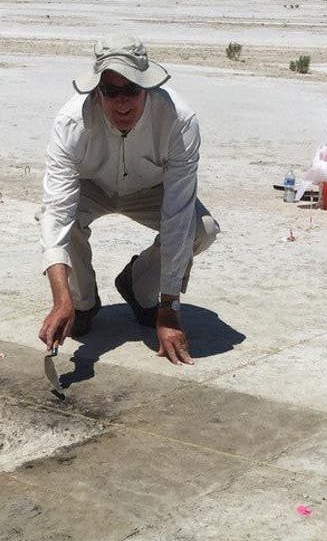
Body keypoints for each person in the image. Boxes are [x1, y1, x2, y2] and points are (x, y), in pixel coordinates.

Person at [36, 35, 219, 365]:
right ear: (97, 91)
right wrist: (60, 299)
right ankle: (82, 303)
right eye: (111, 91)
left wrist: (169, 307)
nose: (123, 102)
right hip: (90, 187)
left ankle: (138, 284)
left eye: (132, 89)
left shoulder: (180, 121)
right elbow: (56, 215)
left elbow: (178, 214)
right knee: (62, 221)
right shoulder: (70, 122)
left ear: (147, 87)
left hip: (151, 190)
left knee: (201, 228)